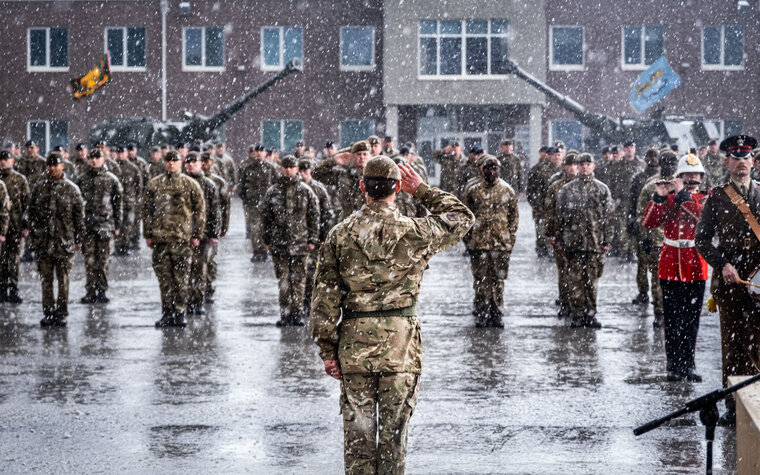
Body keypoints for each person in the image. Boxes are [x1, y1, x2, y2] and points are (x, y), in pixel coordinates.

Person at [310, 156, 473, 474]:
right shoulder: (416, 231)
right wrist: (422, 190)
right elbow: (462, 218)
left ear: (362, 187)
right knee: (394, 441)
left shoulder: (340, 235)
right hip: (400, 346)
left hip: (355, 346)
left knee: (358, 441)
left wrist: (327, 352)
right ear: (398, 187)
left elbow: (324, 299)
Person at [695, 134, 760, 426]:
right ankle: (734, 407)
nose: (741, 163)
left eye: (746, 157)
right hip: (731, 283)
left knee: (758, 343)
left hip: (758, 283)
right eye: (736, 158)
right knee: (733, 346)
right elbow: (702, 240)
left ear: (753, 162)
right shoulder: (717, 196)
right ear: (727, 162)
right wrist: (723, 265)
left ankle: (756, 404)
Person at [643, 154, 709, 382]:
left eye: (694, 175)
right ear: (679, 176)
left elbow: (701, 217)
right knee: (672, 321)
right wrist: (659, 197)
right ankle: (673, 364)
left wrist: (681, 195)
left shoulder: (706, 198)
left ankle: (688, 363)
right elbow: (649, 222)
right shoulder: (671, 198)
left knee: (691, 321)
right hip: (670, 265)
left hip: (695, 265)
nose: (691, 178)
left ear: (701, 177)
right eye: (686, 175)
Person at [143, 150, 206, 328]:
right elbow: (147, 211)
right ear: (164, 163)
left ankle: (179, 312)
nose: (171, 164)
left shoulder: (190, 184)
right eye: (168, 161)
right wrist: (148, 234)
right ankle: (167, 312)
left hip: (181, 239)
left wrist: (197, 235)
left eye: (175, 161)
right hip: (161, 240)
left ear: (181, 163)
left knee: (181, 278)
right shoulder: (155, 184)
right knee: (164, 280)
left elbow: (199, 212)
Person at [554, 153, 613, 328]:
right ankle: (578, 314)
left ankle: (591, 313)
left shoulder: (602, 189)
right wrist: (559, 238)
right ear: (577, 167)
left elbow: (608, 218)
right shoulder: (567, 189)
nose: (584, 167)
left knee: (592, 282)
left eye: (588, 164)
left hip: (594, 244)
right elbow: (560, 217)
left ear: (593, 166)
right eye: (581, 164)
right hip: (573, 243)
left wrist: (607, 240)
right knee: (575, 281)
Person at [262, 155, 320, 326]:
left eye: (291, 167)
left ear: (297, 169)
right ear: (280, 168)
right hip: (279, 244)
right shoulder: (273, 191)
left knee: (299, 280)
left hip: (300, 243)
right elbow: (266, 218)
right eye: (284, 167)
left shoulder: (306, 191)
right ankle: (285, 313)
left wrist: (313, 239)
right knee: (284, 281)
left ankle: (297, 313)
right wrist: (267, 240)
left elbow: (314, 217)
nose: (287, 170)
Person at [27, 153, 83, 327]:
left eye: (55, 165)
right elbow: (31, 214)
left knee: (63, 280)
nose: (52, 168)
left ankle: (61, 312)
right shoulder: (39, 188)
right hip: (44, 243)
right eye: (49, 165)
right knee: (46, 280)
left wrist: (78, 239)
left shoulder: (71, 189)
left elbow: (78, 217)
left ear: (62, 166)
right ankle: (48, 312)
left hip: (64, 243)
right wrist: (34, 237)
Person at [463, 155, 518, 327]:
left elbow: (513, 219)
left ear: (499, 170)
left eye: (495, 168)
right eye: (488, 168)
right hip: (479, 244)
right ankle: (482, 313)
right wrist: (469, 240)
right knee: (481, 281)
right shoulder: (473, 190)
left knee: (498, 281)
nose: (491, 171)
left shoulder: (507, 191)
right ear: (482, 170)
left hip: (500, 244)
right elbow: (465, 218)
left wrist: (509, 241)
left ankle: (497, 313)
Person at [636, 151, 679, 328]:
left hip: (678, 241)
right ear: (661, 164)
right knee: (658, 279)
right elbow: (642, 214)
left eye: (672, 162)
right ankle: (660, 312)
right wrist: (644, 238)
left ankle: (674, 311)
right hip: (656, 241)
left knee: (678, 278)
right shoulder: (651, 186)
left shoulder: (682, 184)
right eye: (666, 162)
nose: (669, 166)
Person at [76, 150, 123, 304]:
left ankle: (101, 290)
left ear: (103, 159)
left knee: (103, 261)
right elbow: (76, 205)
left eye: (97, 158)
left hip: (106, 225)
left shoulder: (111, 179)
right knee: (89, 261)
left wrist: (117, 224)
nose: (94, 160)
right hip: (88, 226)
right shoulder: (82, 179)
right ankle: (90, 291)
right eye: (92, 158)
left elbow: (118, 204)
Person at [183, 152, 221, 314]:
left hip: (203, 234)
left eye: (194, 162)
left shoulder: (208, 185)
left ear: (201, 164)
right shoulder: (181, 183)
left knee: (200, 269)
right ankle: (185, 300)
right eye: (188, 162)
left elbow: (215, 211)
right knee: (183, 269)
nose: (191, 165)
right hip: (183, 234)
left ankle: (197, 302)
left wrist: (214, 233)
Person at [544, 152, 579, 318]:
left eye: (575, 164)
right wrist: (551, 234)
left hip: (583, 236)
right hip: (562, 235)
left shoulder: (587, 186)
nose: (572, 168)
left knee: (582, 272)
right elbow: (549, 213)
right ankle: (565, 302)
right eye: (569, 164)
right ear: (564, 166)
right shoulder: (556, 187)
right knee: (564, 272)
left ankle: (581, 304)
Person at [298, 158, 335, 315]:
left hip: (315, 238)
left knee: (312, 272)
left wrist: (322, 237)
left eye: (306, 171)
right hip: (298, 237)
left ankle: (308, 302)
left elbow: (327, 215)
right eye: (300, 170)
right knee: (299, 273)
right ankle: (298, 304)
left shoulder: (319, 190)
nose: (303, 174)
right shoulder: (296, 189)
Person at [630, 148, 661, 305]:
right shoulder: (639, 178)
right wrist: (632, 220)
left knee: (658, 266)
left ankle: (659, 296)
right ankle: (643, 291)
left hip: (659, 227)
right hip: (642, 222)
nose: (653, 159)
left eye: (655, 156)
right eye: (650, 156)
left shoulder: (667, 179)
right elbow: (633, 200)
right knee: (642, 262)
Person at [238, 144, 278, 261]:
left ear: (265, 153)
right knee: (255, 229)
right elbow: (241, 186)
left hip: (267, 205)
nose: (259, 153)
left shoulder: (271, 168)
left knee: (267, 228)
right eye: (257, 151)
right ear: (254, 153)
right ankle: (257, 251)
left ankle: (266, 250)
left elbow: (277, 185)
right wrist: (246, 199)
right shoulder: (248, 168)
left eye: (262, 151)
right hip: (253, 204)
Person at [0, 150, 29, 303]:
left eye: (6, 159)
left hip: (16, 226)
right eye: (1, 159)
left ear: (12, 161)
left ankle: (13, 287)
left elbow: (26, 204)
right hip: (1, 227)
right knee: (2, 259)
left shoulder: (19, 179)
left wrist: (26, 225)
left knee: (14, 259)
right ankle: (3, 287)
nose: (3, 162)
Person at [201, 152, 230, 303]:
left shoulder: (218, 182)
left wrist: (223, 226)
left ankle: (209, 286)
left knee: (210, 258)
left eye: (207, 161)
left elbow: (225, 206)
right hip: (199, 226)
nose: (205, 164)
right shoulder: (195, 180)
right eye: (202, 161)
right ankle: (198, 286)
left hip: (213, 224)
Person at [527, 146, 562, 257]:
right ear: (548, 156)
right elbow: (531, 189)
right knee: (542, 233)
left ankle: (553, 251)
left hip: (558, 208)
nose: (556, 157)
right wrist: (536, 204)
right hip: (542, 208)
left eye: (558, 155)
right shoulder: (539, 169)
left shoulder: (563, 170)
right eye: (553, 155)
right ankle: (542, 251)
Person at [112, 146, 143, 256]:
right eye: (119, 153)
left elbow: (138, 185)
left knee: (129, 223)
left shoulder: (133, 168)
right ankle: (117, 246)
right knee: (116, 224)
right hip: (116, 201)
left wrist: (138, 198)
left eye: (122, 153)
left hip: (129, 200)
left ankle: (125, 246)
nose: (120, 155)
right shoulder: (113, 167)